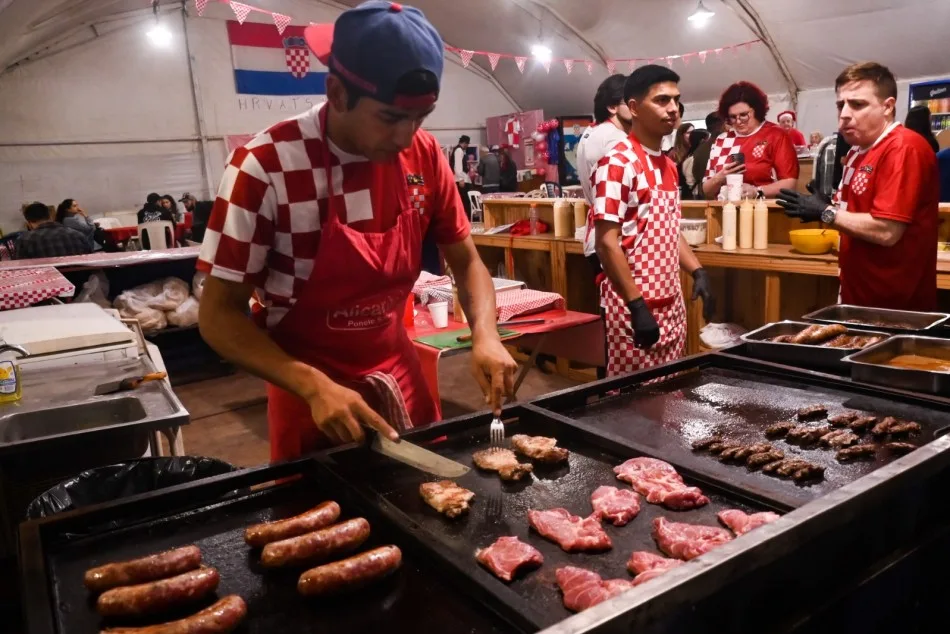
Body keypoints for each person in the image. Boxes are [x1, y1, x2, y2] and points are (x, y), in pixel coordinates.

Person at [196, 1, 517, 462]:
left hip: (397, 367)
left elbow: (466, 262)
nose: (407, 137)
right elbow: (218, 316)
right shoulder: (266, 166)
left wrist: (486, 334)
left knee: (431, 502)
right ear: (337, 92)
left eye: (420, 118)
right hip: (306, 384)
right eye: (390, 118)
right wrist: (311, 385)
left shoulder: (423, 156)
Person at [778, 62, 938, 311]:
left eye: (858, 104)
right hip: (860, 292)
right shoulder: (857, 151)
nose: (844, 114)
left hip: (895, 303)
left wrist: (825, 212)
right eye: (841, 104)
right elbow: (857, 214)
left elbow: (887, 231)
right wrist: (829, 204)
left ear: (888, 107)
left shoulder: (904, 148)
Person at [591, 65, 715, 377]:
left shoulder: (669, 166)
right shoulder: (616, 164)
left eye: (676, 100)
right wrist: (637, 306)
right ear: (633, 108)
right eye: (661, 100)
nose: (673, 109)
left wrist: (697, 270)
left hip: (671, 304)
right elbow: (606, 243)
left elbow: (668, 228)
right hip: (632, 309)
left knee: (670, 394)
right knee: (632, 406)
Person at [702, 81, 799, 200]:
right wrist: (720, 177)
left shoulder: (776, 135)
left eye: (743, 115)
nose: (738, 121)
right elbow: (707, 191)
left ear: (757, 110)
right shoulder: (722, 140)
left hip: (765, 212)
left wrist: (757, 191)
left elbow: (790, 183)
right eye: (732, 117)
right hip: (726, 213)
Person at [577, 74, 632, 272]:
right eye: (630, 102)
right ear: (612, 107)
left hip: (595, 235)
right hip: (613, 238)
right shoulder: (615, 138)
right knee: (621, 301)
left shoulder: (591, 132)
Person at [15, 202, 91, 259]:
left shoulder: (24, 240)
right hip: (81, 279)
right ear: (50, 217)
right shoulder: (77, 234)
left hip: (44, 279)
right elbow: (90, 260)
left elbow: (22, 268)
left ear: (29, 223)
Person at [690, 112, 723, 191]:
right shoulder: (725, 145)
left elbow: (696, 174)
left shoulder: (700, 149)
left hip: (705, 194)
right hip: (721, 195)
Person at [681, 129, 711, 199]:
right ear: (702, 141)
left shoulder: (689, 156)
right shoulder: (692, 159)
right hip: (696, 195)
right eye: (708, 139)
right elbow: (690, 182)